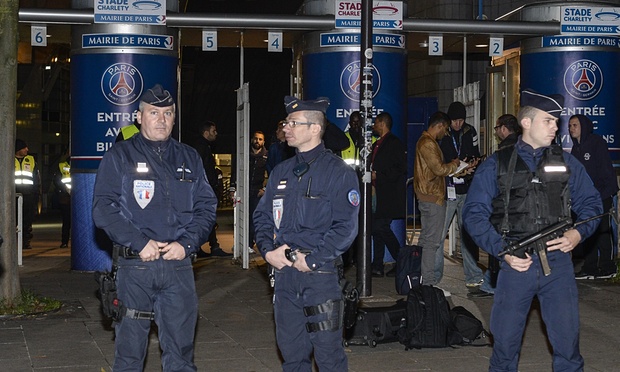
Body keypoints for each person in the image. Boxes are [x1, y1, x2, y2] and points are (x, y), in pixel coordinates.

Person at [463, 89, 602, 371]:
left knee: (568, 346)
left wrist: (577, 233)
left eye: (556, 122)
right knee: (504, 346)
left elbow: (592, 203)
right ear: (527, 122)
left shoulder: (566, 162)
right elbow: (473, 214)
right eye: (548, 121)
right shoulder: (497, 164)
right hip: (517, 265)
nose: (555, 127)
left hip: (558, 264)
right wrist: (502, 251)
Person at [92, 84, 218, 371]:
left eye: (168, 113)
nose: (161, 119)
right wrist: (140, 242)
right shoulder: (119, 157)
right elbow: (103, 209)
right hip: (136, 268)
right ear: (139, 117)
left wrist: (186, 244)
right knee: (129, 354)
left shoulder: (189, 157)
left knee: (181, 352)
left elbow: (206, 207)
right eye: (154, 113)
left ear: (174, 118)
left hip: (178, 267)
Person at [253, 96, 360, 371]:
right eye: (287, 122)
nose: (286, 128)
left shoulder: (338, 172)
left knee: (328, 357)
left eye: (293, 123)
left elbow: (346, 227)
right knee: (292, 355)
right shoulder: (280, 172)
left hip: (320, 277)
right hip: (285, 278)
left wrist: (312, 260)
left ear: (314, 129)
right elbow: (262, 217)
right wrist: (267, 251)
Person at [438, 101, 484, 288]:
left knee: (467, 233)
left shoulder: (470, 131)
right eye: (455, 120)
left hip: (466, 188)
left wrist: (473, 163)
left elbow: (476, 153)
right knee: (440, 234)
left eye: (461, 120)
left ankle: (473, 275)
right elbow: (440, 160)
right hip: (448, 189)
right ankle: (434, 276)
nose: (458, 124)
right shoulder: (444, 133)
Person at [414, 112, 460, 287]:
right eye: (445, 129)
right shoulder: (427, 143)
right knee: (431, 243)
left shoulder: (427, 142)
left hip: (428, 196)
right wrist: (455, 165)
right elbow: (439, 169)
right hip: (432, 197)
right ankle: (428, 284)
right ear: (439, 125)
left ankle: (418, 278)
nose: (445, 133)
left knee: (426, 239)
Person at [569, 114, 619, 279]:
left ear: (583, 126)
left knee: (603, 231)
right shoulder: (575, 148)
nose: (571, 129)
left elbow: (606, 172)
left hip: (602, 195)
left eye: (575, 125)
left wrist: (604, 193)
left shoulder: (597, 143)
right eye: (570, 126)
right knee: (587, 232)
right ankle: (590, 267)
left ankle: (607, 266)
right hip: (585, 199)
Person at [370, 112, 407, 277]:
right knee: (376, 229)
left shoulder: (394, 143)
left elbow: (399, 169)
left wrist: (379, 175)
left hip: (388, 194)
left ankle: (401, 260)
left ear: (383, 124)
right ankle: (377, 265)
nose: (374, 126)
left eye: (376, 123)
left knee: (381, 227)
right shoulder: (376, 144)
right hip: (376, 193)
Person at [192, 121, 232, 257]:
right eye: (213, 131)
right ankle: (210, 247)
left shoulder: (204, 146)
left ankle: (208, 247)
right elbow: (198, 168)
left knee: (209, 218)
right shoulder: (201, 147)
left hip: (206, 187)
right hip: (204, 189)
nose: (216, 133)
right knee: (207, 218)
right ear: (206, 132)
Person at [230, 131, 268, 252]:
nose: (258, 141)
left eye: (260, 139)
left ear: (264, 142)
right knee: (240, 218)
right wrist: (232, 188)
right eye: (256, 138)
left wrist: (265, 190)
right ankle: (240, 243)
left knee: (253, 218)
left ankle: (249, 245)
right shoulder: (243, 153)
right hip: (243, 190)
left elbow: (272, 173)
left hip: (256, 192)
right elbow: (235, 171)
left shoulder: (267, 156)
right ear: (252, 139)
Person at [14, 138, 40, 250]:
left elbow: (36, 179)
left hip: (28, 195)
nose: (27, 150)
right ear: (18, 149)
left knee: (27, 220)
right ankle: (13, 241)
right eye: (24, 147)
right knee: (12, 219)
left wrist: (35, 193)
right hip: (13, 195)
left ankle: (25, 241)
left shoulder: (31, 160)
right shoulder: (8, 159)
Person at [52, 147, 71, 248]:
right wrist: (65, 191)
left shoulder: (80, 163)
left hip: (79, 196)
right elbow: (57, 181)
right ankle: (64, 241)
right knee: (66, 220)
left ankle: (77, 242)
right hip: (66, 196)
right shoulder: (61, 165)